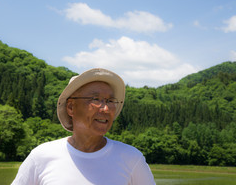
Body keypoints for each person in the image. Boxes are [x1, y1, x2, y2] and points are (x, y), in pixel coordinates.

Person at [11, 68, 156, 185]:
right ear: (71, 107)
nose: (105, 108)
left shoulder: (131, 158)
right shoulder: (41, 156)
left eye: (110, 100)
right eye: (95, 99)